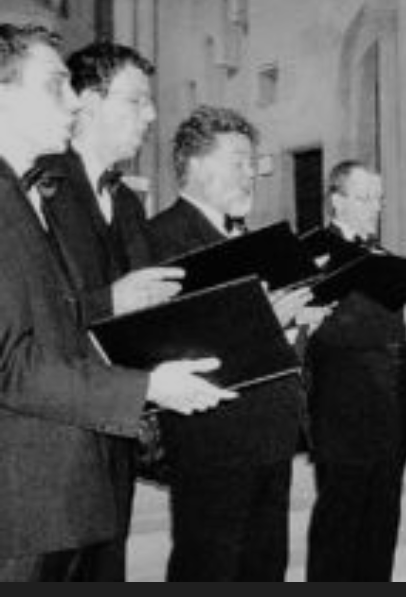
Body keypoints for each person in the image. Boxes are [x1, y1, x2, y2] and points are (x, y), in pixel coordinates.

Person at [0, 23, 233, 582]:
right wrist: (145, 385)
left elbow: (54, 317)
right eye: (55, 84)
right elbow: (13, 360)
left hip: (89, 456)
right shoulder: (33, 190)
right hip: (29, 480)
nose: (72, 101)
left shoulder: (46, 194)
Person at [147, 105, 319, 581]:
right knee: (210, 568)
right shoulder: (162, 238)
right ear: (195, 165)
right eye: (238, 162)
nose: (251, 175)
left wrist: (295, 324)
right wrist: (267, 320)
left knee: (265, 567)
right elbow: (172, 343)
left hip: (269, 432)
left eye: (252, 163)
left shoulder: (250, 239)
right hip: (212, 439)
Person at [37, 41, 181, 581]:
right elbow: (25, 313)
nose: (152, 114)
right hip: (50, 436)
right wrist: (108, 302)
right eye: (137, 100)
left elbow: (145, 309)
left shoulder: (127, 202)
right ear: (89, 102)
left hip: (115, 428)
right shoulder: (38, 186)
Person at [305, 161, 406, 581]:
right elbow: (330, 330)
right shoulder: (315, 254)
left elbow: (402, 327)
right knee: (338, 532)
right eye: (364, 198)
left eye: (379, 198)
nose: (375, 207)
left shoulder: (385, 258)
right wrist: (404, 320)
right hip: (343, 413)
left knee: (381, 530)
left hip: (391, 410)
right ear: (336, 200)